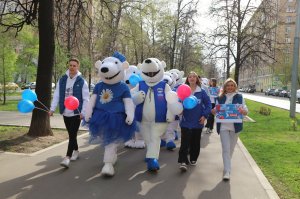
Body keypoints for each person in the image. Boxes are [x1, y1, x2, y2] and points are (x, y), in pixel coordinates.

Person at [49, 57, 89, 168]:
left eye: (74, 65)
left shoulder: (82, 82)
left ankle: (67, 157)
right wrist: (52, 109)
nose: (72, 67)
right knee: (71, 134)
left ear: (78, 67)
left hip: (76, 113)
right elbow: (57, 95)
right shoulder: (62, 80)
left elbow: (86, 99)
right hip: (65, 111)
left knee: (72, 135)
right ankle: (76, 150)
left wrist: (83, 112)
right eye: (70, 65)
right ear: (68, 66)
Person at [211, 78, 248, 180]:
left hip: (235, 127)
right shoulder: (220, 97)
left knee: (231, 149)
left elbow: (246, 111)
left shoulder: (239, 97)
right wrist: (213, 111)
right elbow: (215, 111)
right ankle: (227, 171)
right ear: (225, 87)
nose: (230, 87)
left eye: (232, 85)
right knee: (226, 149)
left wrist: (242, 111)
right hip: (223, 126)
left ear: (235, 86)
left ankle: (227, 163)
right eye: (228, 85)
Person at [178, 71, 211, 171]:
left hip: (198, 122)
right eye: (190, 77)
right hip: (185, 121)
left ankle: (193, 158)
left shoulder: (202, 92)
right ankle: (183, 161)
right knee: (184, 142)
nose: (192, 78)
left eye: (194, 77)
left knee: (195, 142)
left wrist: (204, 116)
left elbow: (209, 104)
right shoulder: (183, 90)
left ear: (197, 79)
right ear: (187, 79)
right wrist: (179, 110)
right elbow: (177, 103)